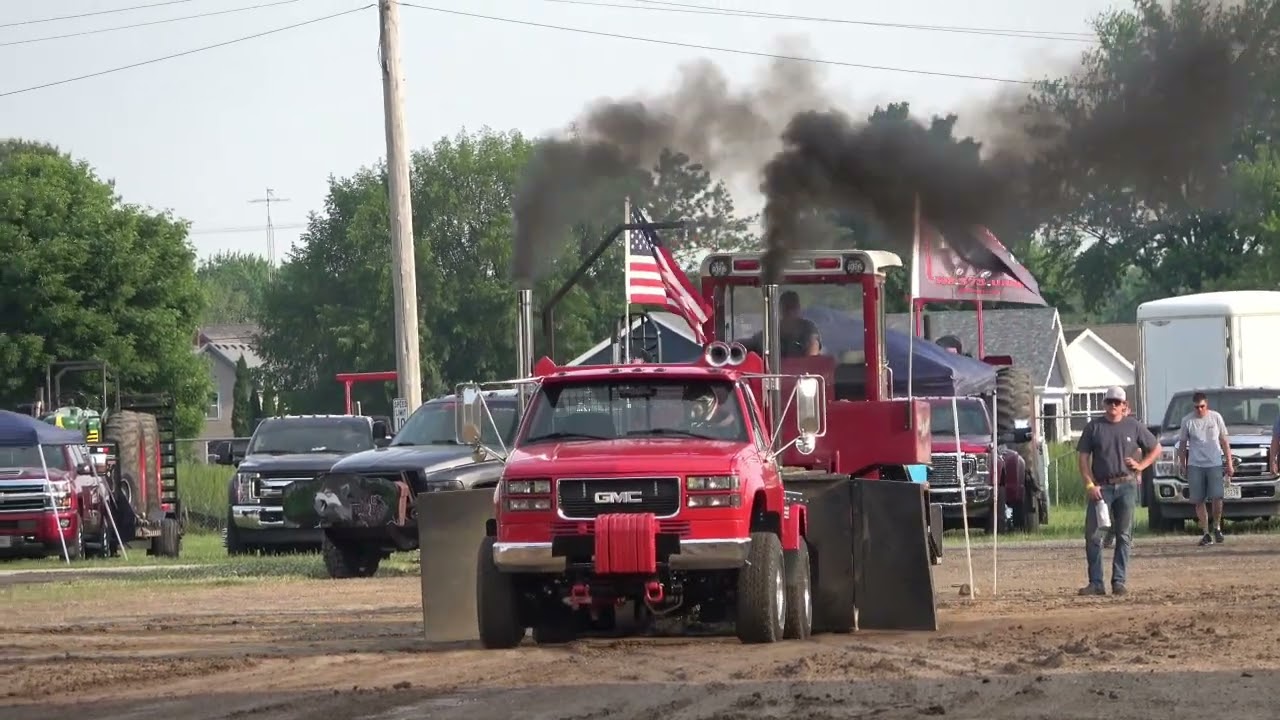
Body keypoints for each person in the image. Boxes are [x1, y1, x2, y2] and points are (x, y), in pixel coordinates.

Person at [1075, 386, 1160, 597]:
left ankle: (1119, 581)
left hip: (1127, 486)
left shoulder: (1134, 426)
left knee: (1124, 535)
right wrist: (1089, 484)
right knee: (1094, 536)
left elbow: (1156, 448)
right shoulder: (1094, 427)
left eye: (1117, 402)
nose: (1113, 405)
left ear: (1125, 406)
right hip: (1101, 487)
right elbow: (1083, 459)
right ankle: (1096, 583)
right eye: (1109, 402)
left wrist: (1141, 466)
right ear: (1104, 404)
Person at [1177, 391, 1233, 547]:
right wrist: (1183, 463)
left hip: (1214, 462)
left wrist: (1229, 462)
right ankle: (1206, 532)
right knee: (1198, 499)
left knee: (1217, 497)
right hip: (1195, 464)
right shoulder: (1187, 421)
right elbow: (1182, 445)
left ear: (1206, 404)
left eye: (1202, 406)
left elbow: (1224, 441)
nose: (1199, 410)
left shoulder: (1215, 417)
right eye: (1196, 407)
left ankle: (1217, 527)